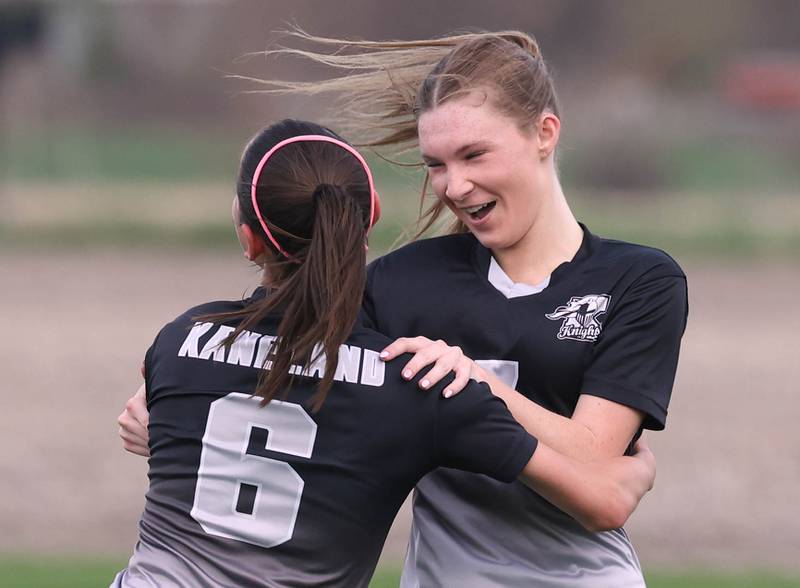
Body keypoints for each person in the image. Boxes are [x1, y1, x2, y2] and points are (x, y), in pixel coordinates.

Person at [112, 119, 656, 588]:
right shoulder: (416, 387)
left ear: (250, 240)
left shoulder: (180, 339)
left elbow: (155, 414)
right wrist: (637, 472)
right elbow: (602, 503)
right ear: (365, 224)